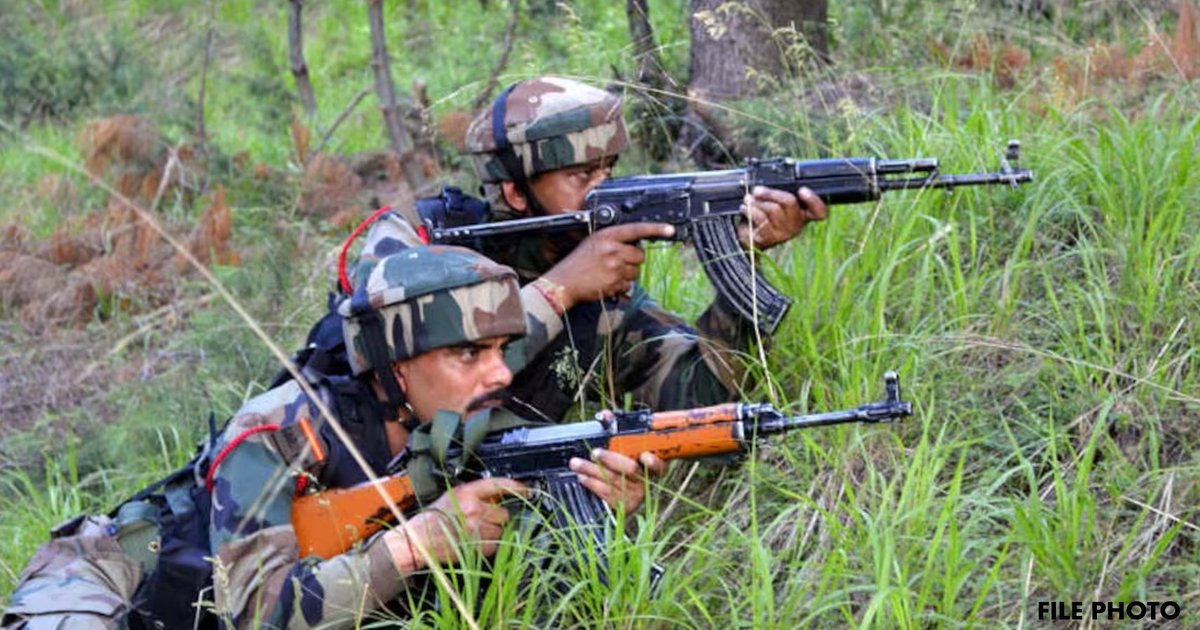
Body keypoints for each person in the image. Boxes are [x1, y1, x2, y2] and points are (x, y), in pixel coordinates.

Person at [3, 246, 658, 629]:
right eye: (470, 353)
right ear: (399, 365)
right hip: (112, 587)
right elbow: (251, 614)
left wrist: (603, 518)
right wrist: (410, 547)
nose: (498, 371)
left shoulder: (480, 424)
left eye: (503, 349)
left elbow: (542, 591)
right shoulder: (281, 432)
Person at [351, 76, 828, 425]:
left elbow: (697, 398)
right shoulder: (419, 237)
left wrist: (739, 262)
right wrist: (560, 290)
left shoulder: (601, 296)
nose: (603, 190)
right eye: (581, 177)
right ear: (517, 192)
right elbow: (397, 373)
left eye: (609, 170)